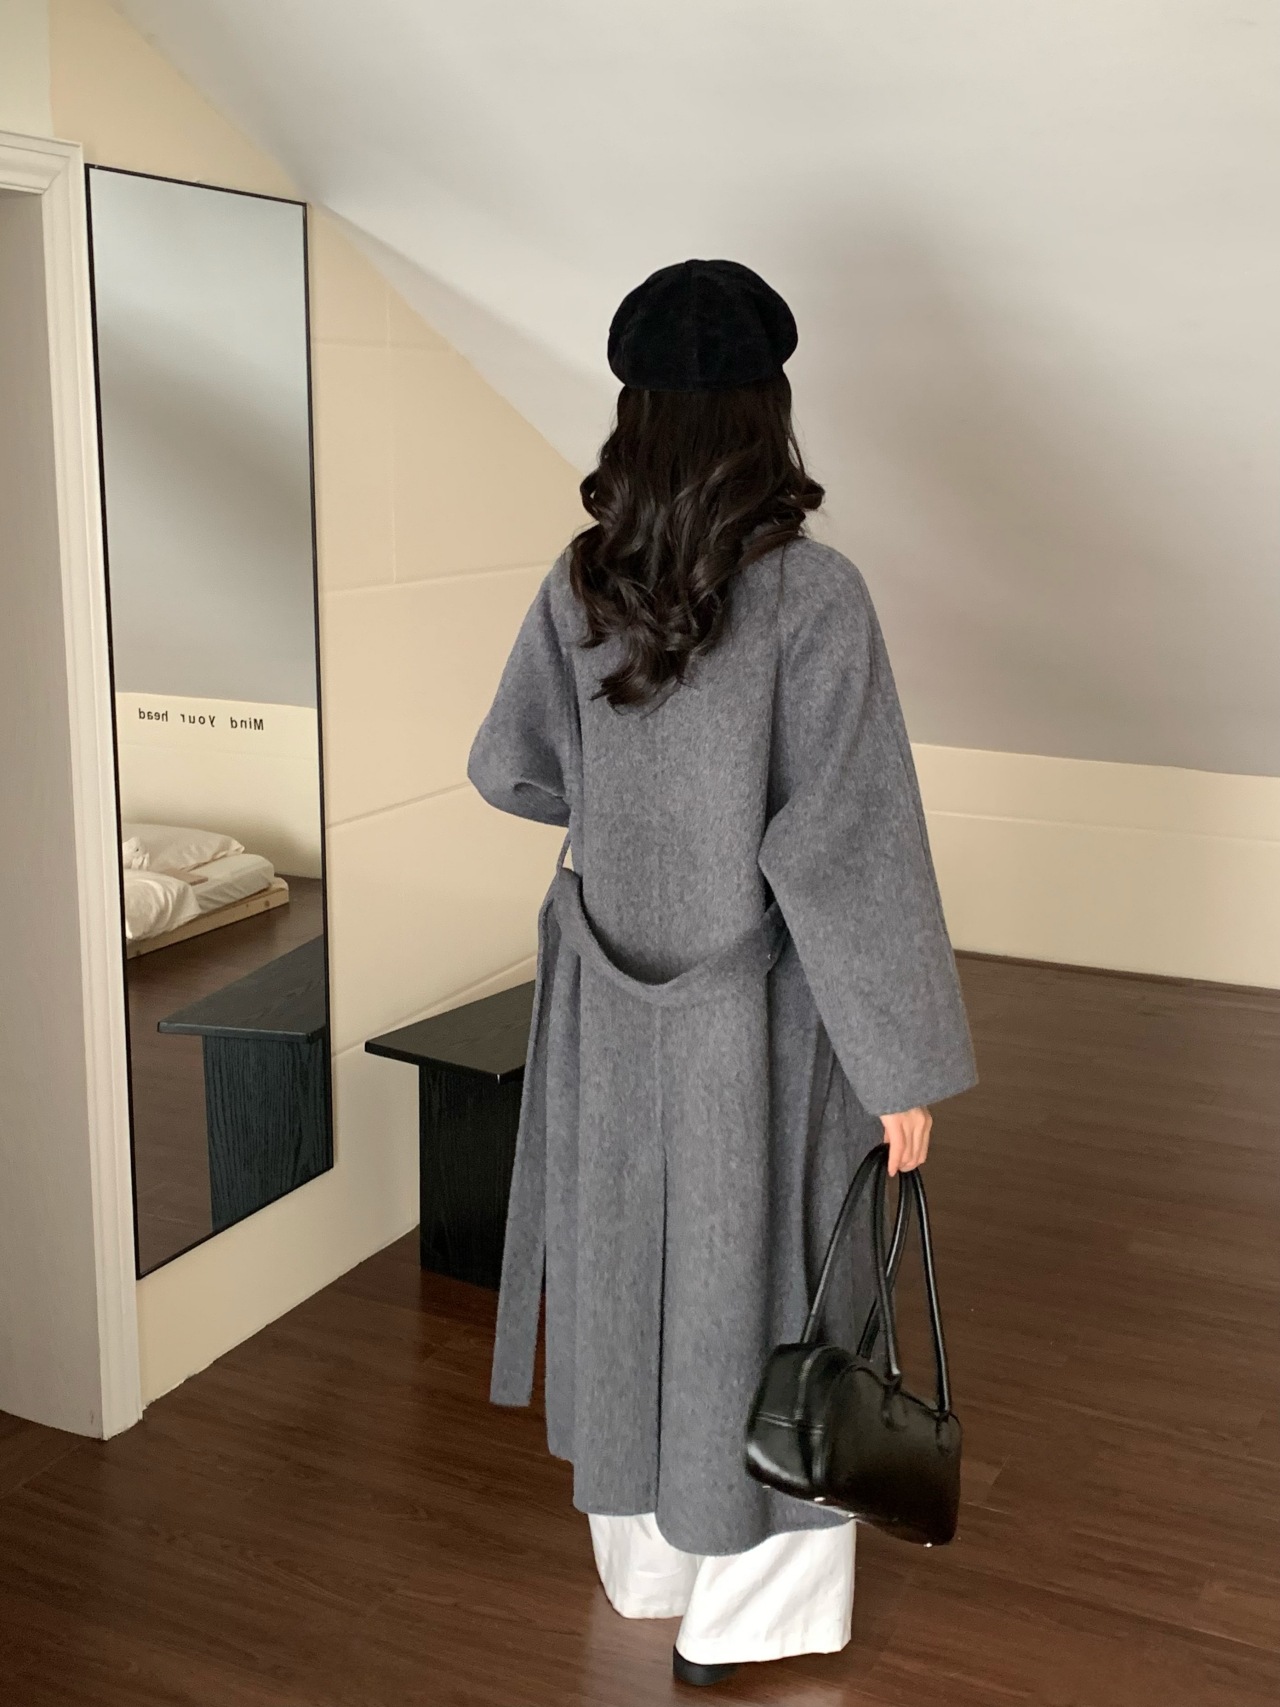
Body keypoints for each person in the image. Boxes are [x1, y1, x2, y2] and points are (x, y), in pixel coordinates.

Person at [468, 259, 976, 1688]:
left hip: (608, 1002)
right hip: (760, 1017)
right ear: (769, 411)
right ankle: (747, 1616)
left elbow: (508, 768)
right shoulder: (816, 598)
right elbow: (849, 850)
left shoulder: (582, 582)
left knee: (626, 1266)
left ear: (632, 413)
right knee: (772, 1284)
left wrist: (628, 826)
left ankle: (644, 1570)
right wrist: (902, 1069)